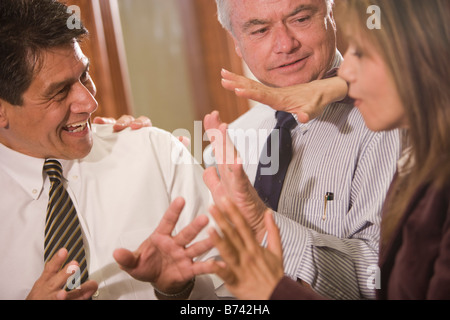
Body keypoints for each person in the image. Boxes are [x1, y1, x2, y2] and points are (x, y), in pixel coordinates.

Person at [202, 0, 450, 300]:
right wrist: (174, 291)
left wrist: (263, 228)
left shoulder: (391, 124)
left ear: (330, 17)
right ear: (237, 43)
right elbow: (222, 284)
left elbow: (383, 279)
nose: (285, 44)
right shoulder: (228, 142)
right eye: (260, 30)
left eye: (301, 19)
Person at [0, 0, 218, 300]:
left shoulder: (155, 154)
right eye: (60, 92)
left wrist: (178, 291)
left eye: (84, 76)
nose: (89, 103)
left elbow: (241, 297)